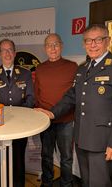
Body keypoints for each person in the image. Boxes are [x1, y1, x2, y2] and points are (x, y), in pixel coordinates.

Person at [36, 24, 112, 187]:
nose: (93, 44)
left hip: (103, 142)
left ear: (108, 41)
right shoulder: (83, 68)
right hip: (82, 138)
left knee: (99, 183)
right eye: (88, 41)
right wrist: (52, 113)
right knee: (87, 181)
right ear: (83, 44)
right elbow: (72, 96)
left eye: (98, 40)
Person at [0, 38, 34, 187]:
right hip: (0, 126)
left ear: (15, 52)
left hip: (20, 126)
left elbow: (30, 99)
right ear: (0, 53)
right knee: (0, 158)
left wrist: (20, 119)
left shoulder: (25, 73)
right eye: (4, 50)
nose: (7, 53)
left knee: (18, 157)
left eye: (10, 50)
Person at [34, 33, 77, 187]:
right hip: (45, 121)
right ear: (45, 48)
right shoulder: (39, 68)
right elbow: (36, 92)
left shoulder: (72, 67)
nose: (52, 48)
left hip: (66, 120)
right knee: (46, 156)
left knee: (66, 158)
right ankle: (47, 183)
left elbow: (75, 94)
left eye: (55, 44)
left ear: (61, 46)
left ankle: (66, 184)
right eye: (49, 45)